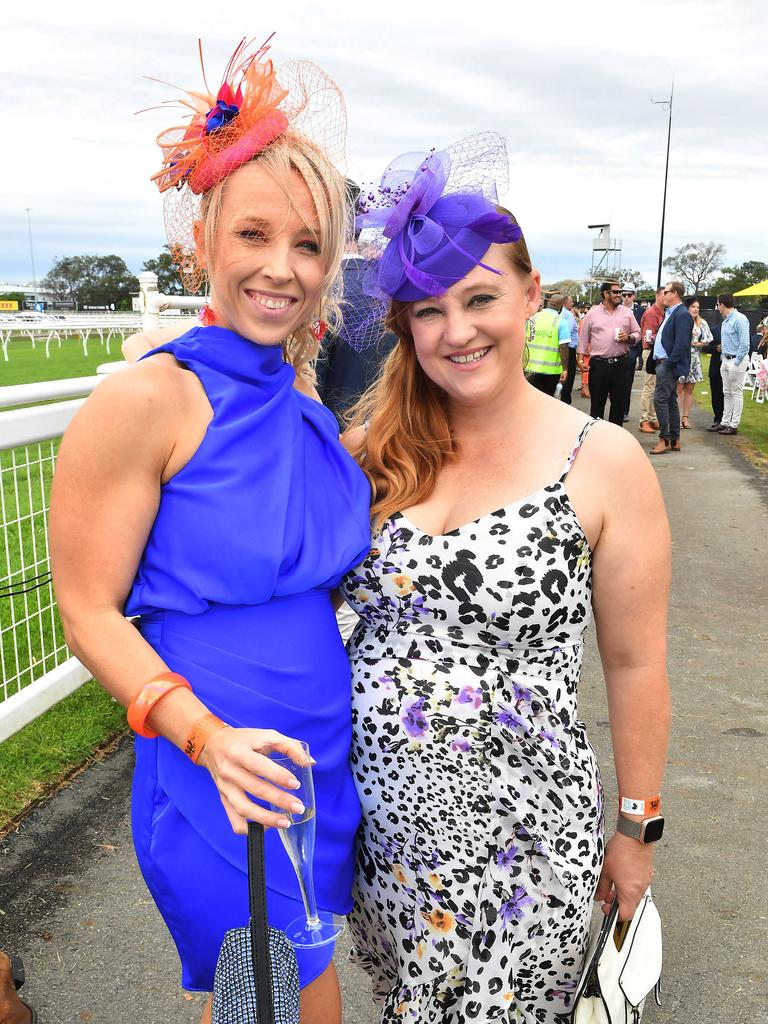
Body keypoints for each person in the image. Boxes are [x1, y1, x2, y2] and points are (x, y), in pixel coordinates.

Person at [49, 39, 371, 1024]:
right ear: (203, 242)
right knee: (265, 1001)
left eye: (309, 244)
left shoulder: (300, 394)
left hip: (309, 761)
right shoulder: (149, 398)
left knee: (280, 1000)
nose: (282, 269)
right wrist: (205, 735)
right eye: (255, 236)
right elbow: (85, 609)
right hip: (216, 771)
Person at [340, 135, 671, 1023]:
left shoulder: (603, 461)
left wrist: (637, 835)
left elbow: (637, 664)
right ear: (405, 327)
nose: (457, 330)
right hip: (386, 838)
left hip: (525, 839)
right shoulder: (370, 453)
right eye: (428, 309)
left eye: (480, 297)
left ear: (530, 295)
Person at [577, 282, 640, 425]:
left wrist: (629, 338)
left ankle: (615, 441)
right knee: (597, 407)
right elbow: (583, 339)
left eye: (621, 293)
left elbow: (638, 333)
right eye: (616, 292)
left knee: (619, 406)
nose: (620, 295)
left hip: (621, 364)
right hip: (599, 366)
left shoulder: (626, 313)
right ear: (606, 294)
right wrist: (580, 360)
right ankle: (597, 440)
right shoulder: (592, 314)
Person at [649, 282, 693, 455]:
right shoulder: (672, 312)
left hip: (668, 363)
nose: (662, 295)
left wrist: (669, 363)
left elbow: (682, 343)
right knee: (670, 400)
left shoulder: (681, 313)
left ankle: (665, 438)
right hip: (663, 362)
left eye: (665, 292)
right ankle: (674, 439)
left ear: (675, 293)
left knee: (660, 399)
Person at [716, 293, 751, 435]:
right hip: (726, 359)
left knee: (736, 392)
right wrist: (724, 359)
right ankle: (725, 422)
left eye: (718, 304)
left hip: (737, 360)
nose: (717, 307)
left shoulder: (740, 319)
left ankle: (733, 424)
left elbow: (745, 344)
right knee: (727, 392)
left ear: (723, 304)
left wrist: (735, 363)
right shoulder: (725, 321)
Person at [678, 298, 712, 428]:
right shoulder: (681, 320)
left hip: (694, 358)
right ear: (687, 308)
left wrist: (695, 344)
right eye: (693, 307)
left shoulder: (701, 323)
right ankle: (678, 417)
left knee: (689, 389)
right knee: (679, 388)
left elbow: (707, 340)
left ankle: (686, 418)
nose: (696, 309)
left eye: (697, 307)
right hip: (681, 357)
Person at [527, 293, 570, 394]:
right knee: (547, 400)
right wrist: (565, 369)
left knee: (531, 400)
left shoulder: (533, 318)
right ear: (561, 306)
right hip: (551, 372)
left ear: (548, 302)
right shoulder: (561, 322)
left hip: (530, 369)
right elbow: (563, 347)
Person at [638, 288, 663, 433]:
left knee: (655, 386)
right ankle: (644, 420)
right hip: (650, 351)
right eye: (663, 293)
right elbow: (648, 336)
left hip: (657, 352)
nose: (666, 296)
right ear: (657, 296)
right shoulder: (651, 313)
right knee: (649, 386)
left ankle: (652, 418)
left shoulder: (662, 312)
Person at [702, 319, 724, 431]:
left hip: (731, 367)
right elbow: (705, 347)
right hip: (716, 367)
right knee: (716, 394)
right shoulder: (714, 329)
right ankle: (718, 419)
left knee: (729, 395)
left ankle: (728, 421)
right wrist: (715, 348)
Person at [559, 294, 580, 404]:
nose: (572, 304)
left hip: (562, 349)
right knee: (568, 379)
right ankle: (566, 402)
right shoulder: (568, 315)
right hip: (569, 349)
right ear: (565, 303)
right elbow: (568, 331)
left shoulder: (560, 314)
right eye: (571, 301)